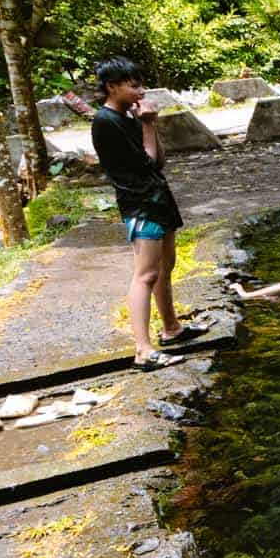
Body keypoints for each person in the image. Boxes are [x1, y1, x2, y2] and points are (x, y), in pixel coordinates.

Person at [87, 57, 195, 368]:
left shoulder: (128, 117)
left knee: (165, 267)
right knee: (146, 274)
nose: (141, 91)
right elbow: (145, 164)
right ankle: (143, 350)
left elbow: (158, 161)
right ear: (112, 87)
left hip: (158, 200)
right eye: (134, 86)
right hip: (140, 204)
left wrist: (149, 124)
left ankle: (172, 328)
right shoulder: (105, 121)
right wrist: (147, 124)